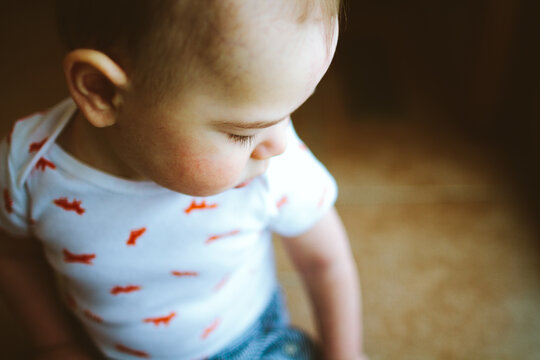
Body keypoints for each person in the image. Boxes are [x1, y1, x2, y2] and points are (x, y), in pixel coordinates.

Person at [0, 0, 366, 359]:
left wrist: (344, 353)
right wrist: (55, 343)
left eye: (289, 111)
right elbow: (15, 258)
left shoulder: (273, 166)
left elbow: (326, 262)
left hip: (247, 344)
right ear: (101, 91)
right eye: (241, 133)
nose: (279, 143)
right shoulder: (27, 169)